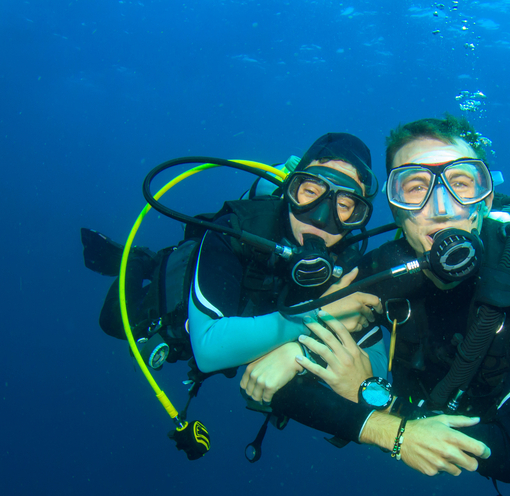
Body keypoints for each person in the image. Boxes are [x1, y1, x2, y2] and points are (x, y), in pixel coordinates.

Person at [256, 115, 510, 491]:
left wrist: (381, 410)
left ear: (485, 199)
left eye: (460, 183)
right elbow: (277, 383)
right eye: (415, 187)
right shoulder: (382, 273)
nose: (441, 209)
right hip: (430, 404)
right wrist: (296, 350)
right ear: (395, 208)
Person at [82, 132, 389, 458]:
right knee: (114, 322)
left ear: (359, 216)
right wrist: (320, 317)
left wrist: (297, 357)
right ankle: (140, 261)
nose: (320, 218)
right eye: (310, 192)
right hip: (205, 300)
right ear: (290, 189)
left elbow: (377, 370)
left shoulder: (348, 267)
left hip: (256, 319)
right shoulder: (237, 229)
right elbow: (210, 350)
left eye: (344, 206)